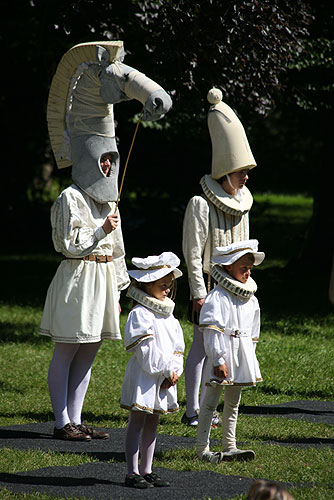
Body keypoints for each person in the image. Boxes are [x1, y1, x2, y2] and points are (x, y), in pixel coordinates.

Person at [39, 151, 130, 441]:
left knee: (89, 351)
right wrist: (101, 230)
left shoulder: (109, 201)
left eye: (110, 160)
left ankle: (76, 420)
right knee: (67, 349)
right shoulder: (70, 197)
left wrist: (116, 291)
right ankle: (61, 422)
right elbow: (68, 245)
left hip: (102, 279)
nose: (106, 165)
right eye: (101, 159)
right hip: (78, 278)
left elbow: (117, 251)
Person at [182, 87, 257, 426]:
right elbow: (194, 253)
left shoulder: (243, 205)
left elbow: (247, 251)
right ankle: (193, 409)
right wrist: (199, 293)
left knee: (228, 347)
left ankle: (218, 407)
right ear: (225, 171)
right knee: (202, 348)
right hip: (211, 289)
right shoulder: (200, 204)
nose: (245, 177)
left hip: (235, 290)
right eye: (240, 170)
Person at [196, 239, 264, 463]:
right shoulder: (218, 297)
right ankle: (202, 448)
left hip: (241, 356)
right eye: (243, 268)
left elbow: (253, 332)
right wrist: (218, 359)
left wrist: (249, 357)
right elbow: (212, 332)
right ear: (228, 267)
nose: (247, 272)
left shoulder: (251, 300)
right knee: (210, 402)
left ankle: (230, 445)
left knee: (233, 403)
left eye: (249, 269)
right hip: (224, 356)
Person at [120, 252, 185, 489]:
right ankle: (131, 471)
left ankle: (147, 469)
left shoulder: (169, 316)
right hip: (145, 377)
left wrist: (175, 371)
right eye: (163, 286)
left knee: (153, 422)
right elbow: (146, 352)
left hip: (165, 377)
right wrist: (166, 370)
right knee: (137, 421)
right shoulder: (140, 314)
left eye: (169, 286)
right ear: (147, 285)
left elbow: (178, 348)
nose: (167, 290)